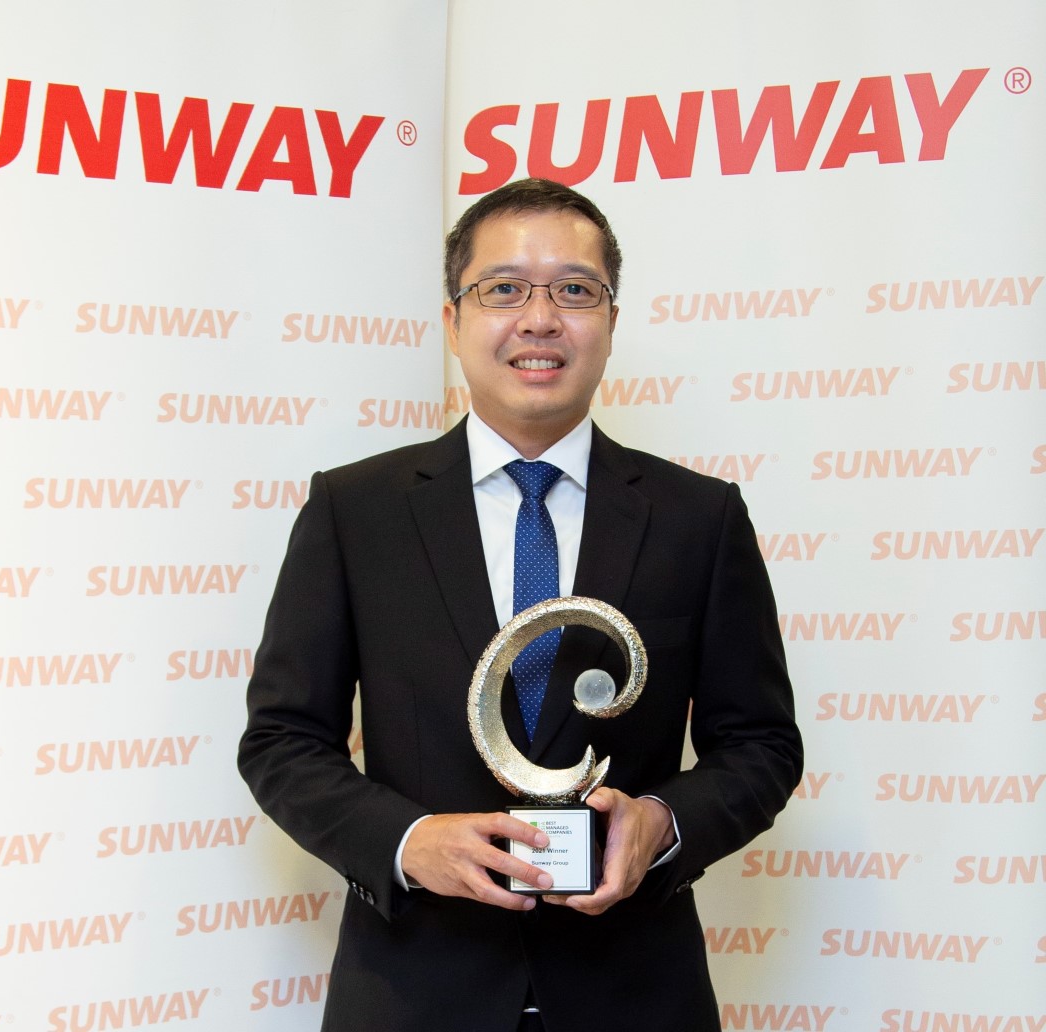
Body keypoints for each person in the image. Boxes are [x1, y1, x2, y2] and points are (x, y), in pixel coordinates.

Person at [238, 178, 802, 1031]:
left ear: (611, 322)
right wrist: (405, 841)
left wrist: (662, 823)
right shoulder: (355, 511)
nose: (540, 318)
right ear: (452, 321)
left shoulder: (700, 518)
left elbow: (760, 746)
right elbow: (281, 740)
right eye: (503, 288)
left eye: (575, 290)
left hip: (635, 995)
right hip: (413, 993)